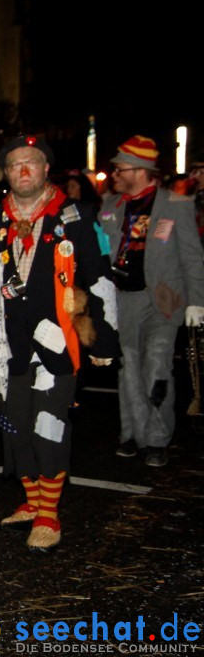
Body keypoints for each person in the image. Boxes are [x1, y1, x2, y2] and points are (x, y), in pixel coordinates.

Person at [0, 135, 118, 553]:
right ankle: (33, 502)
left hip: (59, 341)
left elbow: (100, 279)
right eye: (15, 165)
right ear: (8, 173)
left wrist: (103, 340)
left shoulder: (75, 217)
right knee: (13, 426)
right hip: (7, 343)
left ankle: (50, 514)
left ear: (46, 168)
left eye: (32, 162)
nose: (24, 170)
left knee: (48, 427)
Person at [99, 136, 204, 468]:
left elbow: (192, 257)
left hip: (163, 300)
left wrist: (196, 302)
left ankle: (157, 438)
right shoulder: (109, 207)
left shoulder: (176, 205)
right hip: (123, 300)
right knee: (128, 369)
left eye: (120, 168)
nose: (114, 173)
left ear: (140, 171)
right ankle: (131, 434)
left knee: (157, 368)